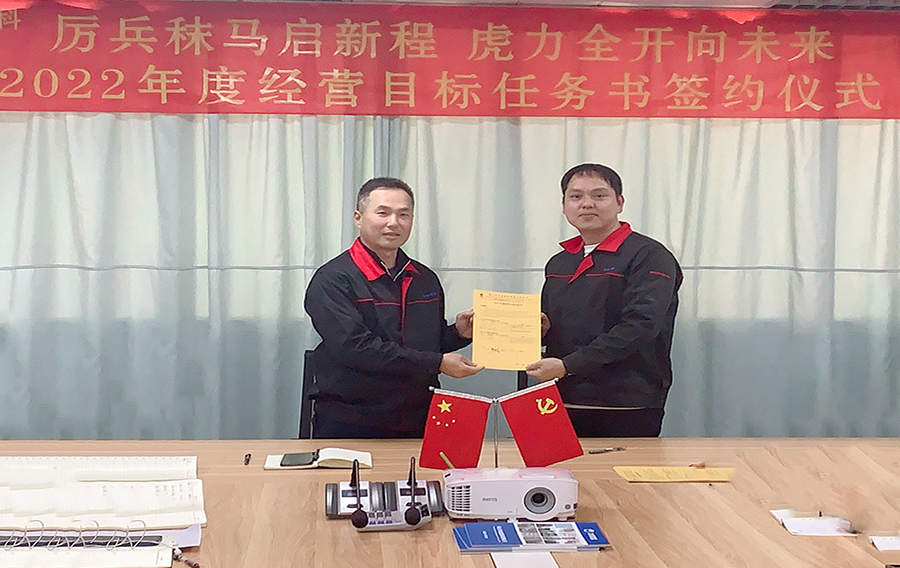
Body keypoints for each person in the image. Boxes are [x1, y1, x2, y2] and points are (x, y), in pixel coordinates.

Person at [304, 177, 484, 438]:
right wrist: (438, 363)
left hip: (420, 416)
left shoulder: (424, 278)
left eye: (403, 214)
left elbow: (425, 345)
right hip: (352, 420)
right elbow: (355, 348)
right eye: (383, 213)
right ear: (358, 218)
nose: (393, 222)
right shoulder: (333, 279)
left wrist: (459, 333)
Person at [524, 164, 682, 437]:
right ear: (564, 206)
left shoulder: (648, 255)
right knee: (556, 466)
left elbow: (641, 326)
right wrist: (539, 328)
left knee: (621, 467)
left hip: (624, 402)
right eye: (576, 196)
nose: (586, 204)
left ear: (620, 202)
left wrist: (567, 366)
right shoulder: (560, 262)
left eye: (599, 195)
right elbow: (554, 324)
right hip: (560, 398)